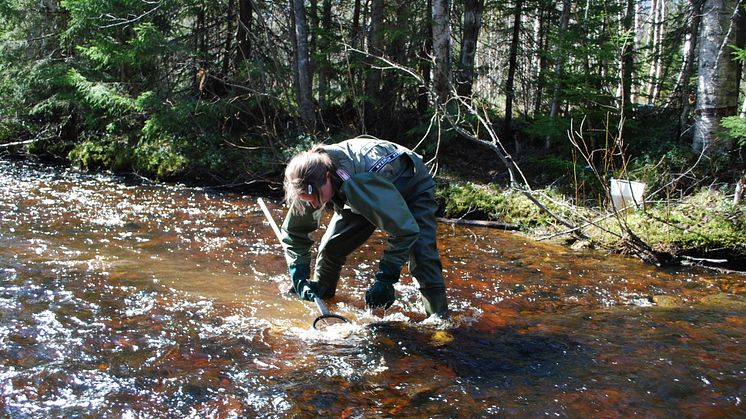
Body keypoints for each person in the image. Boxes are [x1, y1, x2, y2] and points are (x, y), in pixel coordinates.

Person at [280, 135, 449, 317]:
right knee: (332, 248)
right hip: (366, 190)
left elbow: (405, 231)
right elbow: (294, 232)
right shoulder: (309, 179)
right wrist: (299, 276)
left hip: (411, 185)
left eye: (317, 199)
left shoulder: (355, 183)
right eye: (308, 200)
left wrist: (385, 279)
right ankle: (322, 298)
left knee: (422, 256)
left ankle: (438, 320)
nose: (314, 205)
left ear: (328, 177)